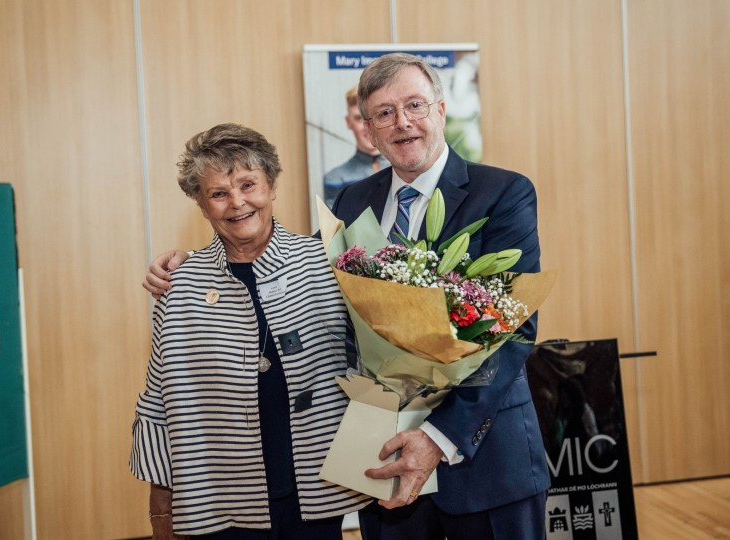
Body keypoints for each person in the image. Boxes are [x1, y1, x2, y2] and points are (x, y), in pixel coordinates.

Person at [144, 53, 549, 539]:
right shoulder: (353, 201)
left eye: (415, 105)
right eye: (383, 113)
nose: (402, 123)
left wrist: (438, 438)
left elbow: (514, 331)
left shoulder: (503, 192)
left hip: (483, 460)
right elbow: (280, 267)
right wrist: (189, 266)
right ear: (369, 131)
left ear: (440, 110)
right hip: (381, 461)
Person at [130, 123, 368, 539]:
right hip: (221, 499)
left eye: (248, 185)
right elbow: (159, 401)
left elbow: (375, 365)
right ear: (201, 206)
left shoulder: (327, 264)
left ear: (271, 186)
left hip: (319, 491)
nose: (237, 203)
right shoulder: (180, 285)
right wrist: (161, 513)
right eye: (218, 193)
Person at [322, 86, 390, 208]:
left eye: (372, 116)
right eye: (359, 118)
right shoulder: (336, 179)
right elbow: (335, 226)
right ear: (348, 122)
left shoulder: (404, 170)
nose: (367, 127)